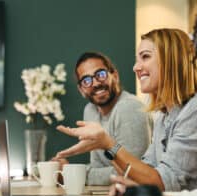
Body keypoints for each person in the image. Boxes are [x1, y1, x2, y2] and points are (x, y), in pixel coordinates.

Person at [56, 28, 197, 192]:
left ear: (170, 60)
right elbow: (145, 169)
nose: (135, 67)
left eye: (145, 56)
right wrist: (127, 188)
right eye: (137, 59)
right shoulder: (165, 115)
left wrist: (109, 144)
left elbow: (165, 181)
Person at [54, 52, 152, 185]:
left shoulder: (129, 108)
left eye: (100, 74)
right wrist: (64, 170)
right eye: (86, 80)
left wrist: (71, 174)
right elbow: (97, 168)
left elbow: (133, 173)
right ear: (81, 89)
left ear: (115, 76)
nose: (95, 84)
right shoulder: (90, 111)